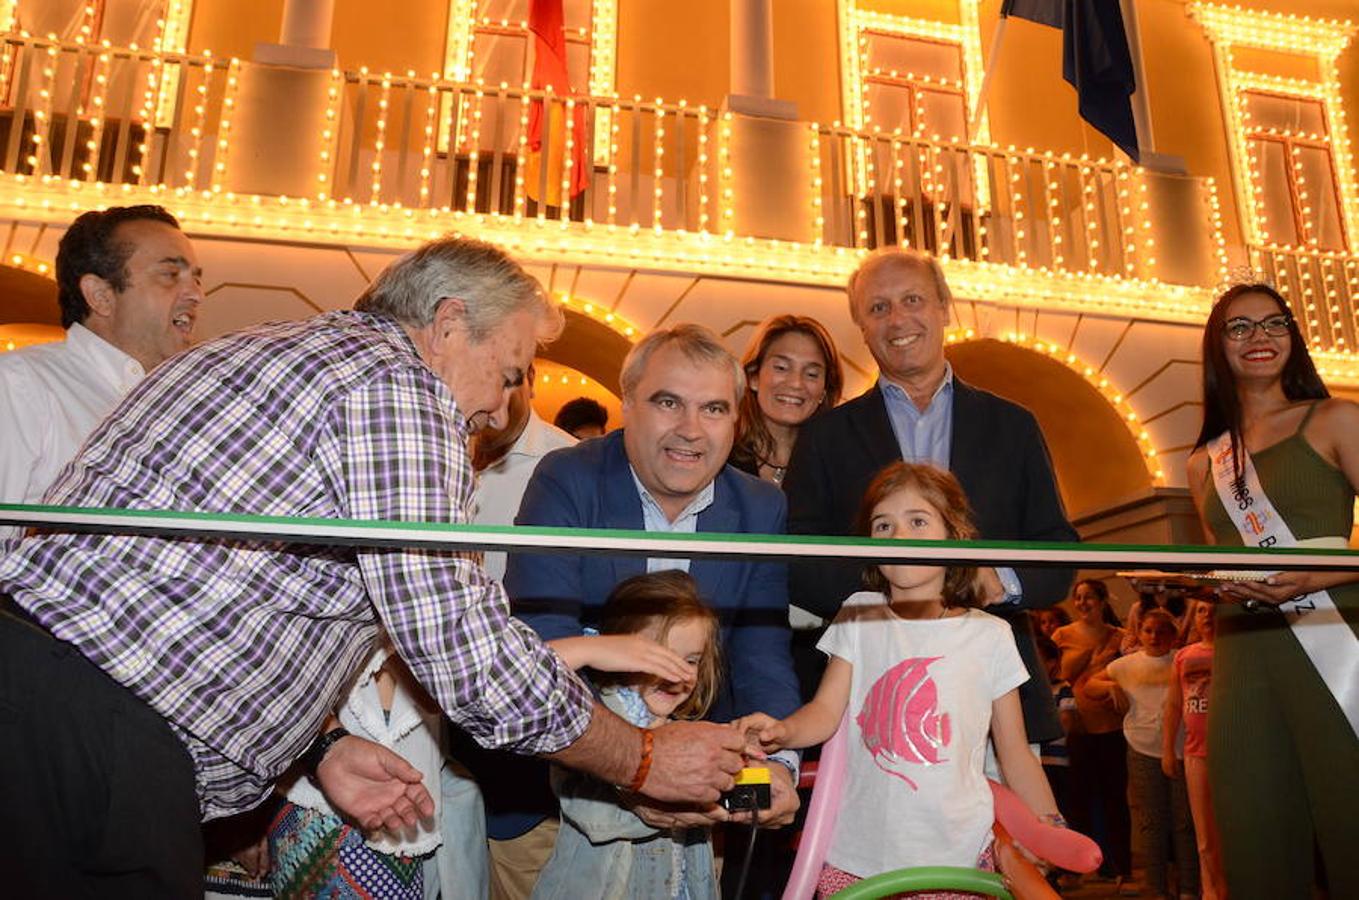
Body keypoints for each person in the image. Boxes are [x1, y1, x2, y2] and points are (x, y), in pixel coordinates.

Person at [0, 237, 744, 896]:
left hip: (57, 699)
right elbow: (458, 642)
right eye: (508, 370)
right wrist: (640, 758)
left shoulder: (290, 349)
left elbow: (240, 590)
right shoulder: (394, 385)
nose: (497, 407)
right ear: (450, 324)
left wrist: (317, 743)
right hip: (96, 729)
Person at [494, 323, 803, 895]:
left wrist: (775, 768)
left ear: (737, 420)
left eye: (713, 409)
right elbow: (544, 638)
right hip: (552, 803)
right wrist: (635, 773)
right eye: (668, 402)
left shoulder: (761, 506)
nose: (691, 429)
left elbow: (761, 654)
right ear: (628, 403)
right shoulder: (567, 477)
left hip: (695, 817)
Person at [784, 248, 1077, 750]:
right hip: (867, 695)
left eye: (912, 299)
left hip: (996, 696)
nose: (897, 319)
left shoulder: (1013, 425)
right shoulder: (825, 436)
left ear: (944, 307)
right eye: (878, 308)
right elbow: (799, 558)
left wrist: (995, 583)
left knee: (1008, 827)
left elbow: (1058, 550)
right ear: (861, 326)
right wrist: (898, 590)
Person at [735, 462, 1061, 895]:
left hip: (958, 855)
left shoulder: (992, 635)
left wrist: (1048, 824)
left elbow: (1015, 753)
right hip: (858, 854)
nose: (899, 536)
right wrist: (784, 729)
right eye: (883, 525)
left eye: (918, 521)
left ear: (954, 533)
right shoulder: (859, 611)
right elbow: (825, 711)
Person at [1185, 282, 1359, 900]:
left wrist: (1319, 577)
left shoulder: (1337, 418)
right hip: (1244, 654)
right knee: (1253, 831)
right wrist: (1204, 585)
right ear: (1217, 346)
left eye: (1274, 323)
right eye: (1239, 327)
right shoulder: (1205, 462)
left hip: (1337, 636)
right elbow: (1220, 564)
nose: (1259, 337)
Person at [0, 204, 203, 545]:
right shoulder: (20, 383)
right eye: (171, 275)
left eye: (197, 277)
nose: (196, 293)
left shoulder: (188, 406)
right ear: (101, 296)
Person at [533, 571, 723, 899]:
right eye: (658, 658)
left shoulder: (687, 736)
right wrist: (591, 649)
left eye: (690, 661)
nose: (675, 675)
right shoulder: (590, 726)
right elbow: (525, 675)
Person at [1087, 609, 1198, 900]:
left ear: (1173, 635)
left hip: (1184, 748)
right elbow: (1089, 685)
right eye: (1148, 630)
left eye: (1162, 631)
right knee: (1152, 821)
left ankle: (1189, 887)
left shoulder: (1182, 659)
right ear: (1139, 633)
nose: (1154, 637)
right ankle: (1156, 888)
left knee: (1185, 822)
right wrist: (1109, 686)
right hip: (1142, 747)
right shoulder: (1126, 665)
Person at [1051, 578, 1132, 888]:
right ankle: (1074, 868)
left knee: (1115, 800)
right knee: (1077, 801)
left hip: (1110, 727)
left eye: (1088, 598)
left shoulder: (1120, 637)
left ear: (1101, 601)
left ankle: (1121, 868)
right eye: (1078, 598)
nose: (1083, 603)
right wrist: (1089, 656)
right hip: (1077, 729)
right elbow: (1061, 672)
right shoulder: (1063, 635)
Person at [472, 364, 577, 582]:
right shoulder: (432, 453)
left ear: (531, 379)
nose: (490, 399)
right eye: (474, 379)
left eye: (506, 382)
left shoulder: (573, 468)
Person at [729, 314, 843, 487]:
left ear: (824, 391)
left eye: (811, 374)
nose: (796, 383)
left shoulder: (837, 462)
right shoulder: (723, 453)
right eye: (781, 368)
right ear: (753, 377)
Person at [1163, 599, 1225, 900]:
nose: (1207, 616)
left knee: (1231, 830)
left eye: (1213, 610)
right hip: (1194, 753)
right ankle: (1211, 893)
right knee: (1204, 837)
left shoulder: (1233, 652)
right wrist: (1166, 750)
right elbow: (1174, 704)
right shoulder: (1184, 656)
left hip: (1230, 754)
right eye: (1201, 610)